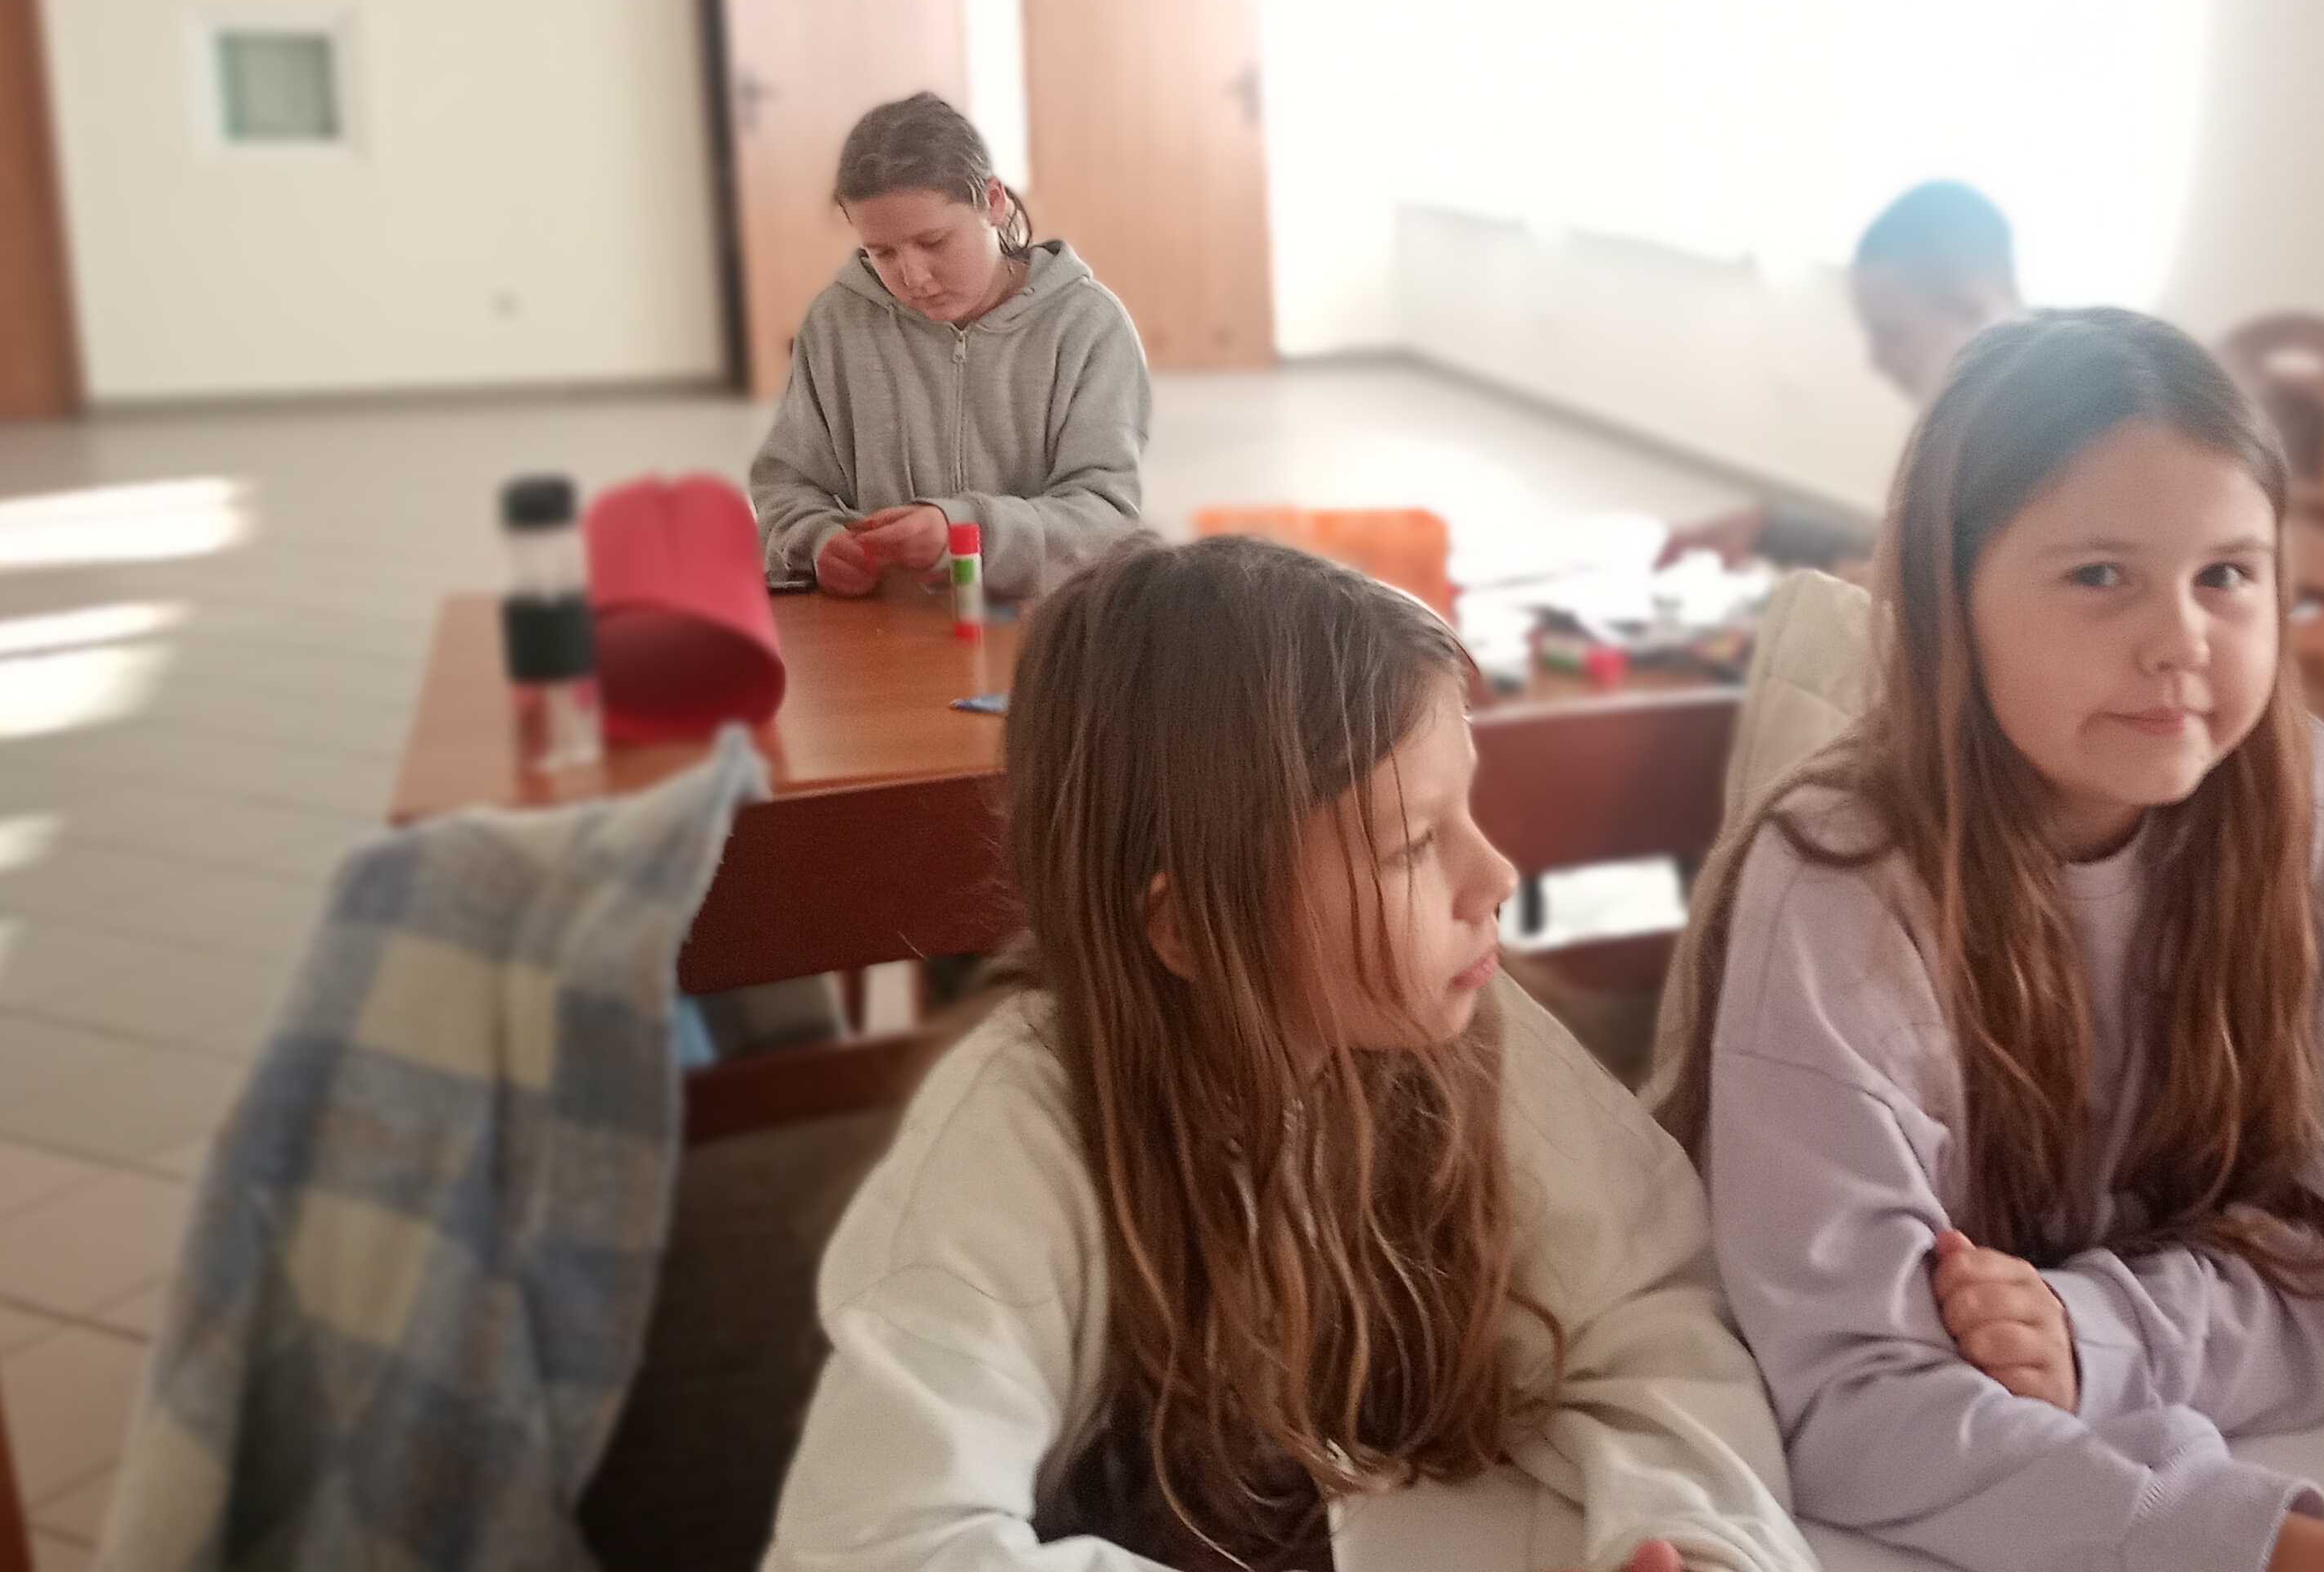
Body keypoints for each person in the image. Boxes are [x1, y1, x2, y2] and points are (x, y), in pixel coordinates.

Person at [1651, 310, 2324, 1572]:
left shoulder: (2305, 809)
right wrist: (2285, 1556)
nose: (2181, 641)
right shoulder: (1841, 878)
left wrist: (2089, 1333)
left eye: (2228, 575)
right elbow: (1845, 1398)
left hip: (2066, 1459)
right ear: (1946, 599)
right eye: (2100, 576)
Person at [766, 536, 1818, 1572]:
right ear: (1189, 927)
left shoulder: (1458, 1026)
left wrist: (1697, 1542)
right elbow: (879, 1541)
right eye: (1413, 844)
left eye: (1465, 810)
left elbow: (1648, 1316)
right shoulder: (1017, 1137)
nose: (1495, 873)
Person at [750, 92, 1150, 600]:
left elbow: (1107, 520)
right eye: (881, 252)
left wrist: (965, 532)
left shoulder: (1088, 325)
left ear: (994, 202)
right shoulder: (837, 323)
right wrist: (818, 541)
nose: (913, 277)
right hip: (882, 626)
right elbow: (785, 488)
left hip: (1041, 625)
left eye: (934, 242)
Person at [1666, 181, 2027, 573]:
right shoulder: (1965, 422)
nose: (1877, 360)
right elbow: (1900, 558)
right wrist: (1767, 527)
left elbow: (1926, 594)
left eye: (1890, 333)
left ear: (1972, 307)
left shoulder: (2035, 447)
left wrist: (1857, 584)